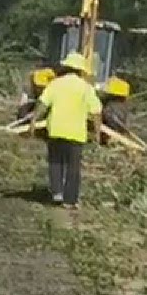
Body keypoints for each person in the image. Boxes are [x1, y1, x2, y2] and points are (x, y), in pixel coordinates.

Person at [35, 52, 102, 207]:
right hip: (76, 134)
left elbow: (42, 104)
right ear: (80, 70)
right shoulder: (86, 88)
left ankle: (57, 193)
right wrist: (97, 133)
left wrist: (33, 121)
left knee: (55, 162)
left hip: (56, 129)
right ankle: (70, 200)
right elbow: (96, 111)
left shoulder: (55, 84)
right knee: (73, 167)